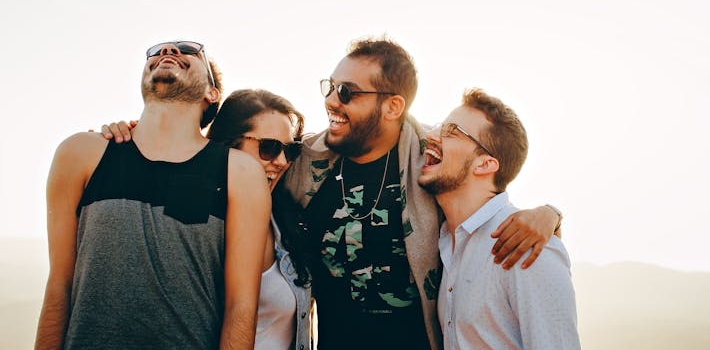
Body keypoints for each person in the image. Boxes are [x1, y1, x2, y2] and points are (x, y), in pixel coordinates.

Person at [281, 37, 564, 350]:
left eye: (346, 92)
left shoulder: (430, 161)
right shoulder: (302, 163)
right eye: (330, 87)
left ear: (393, 106)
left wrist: (549, 214)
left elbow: (483, 194)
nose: (332, 101)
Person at [35, 41, 270, 350]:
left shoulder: (239, 173)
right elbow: (59, 285)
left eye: (189, 51)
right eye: (157, 52)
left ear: (211, 94)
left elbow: (240, 306)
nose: (169, 50)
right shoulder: (80, 153)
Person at [418, 88, 580, 349]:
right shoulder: (446, 242)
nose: (431, 136)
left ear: (484, 164)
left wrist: (552, 213)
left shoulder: (528, 247)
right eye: (438, 127)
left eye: (450, 131)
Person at [205, 88, 313, 350]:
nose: (282, 161)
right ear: (229, 145)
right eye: (269, 147)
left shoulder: (284, 220)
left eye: (291, 150)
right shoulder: (199, 222)